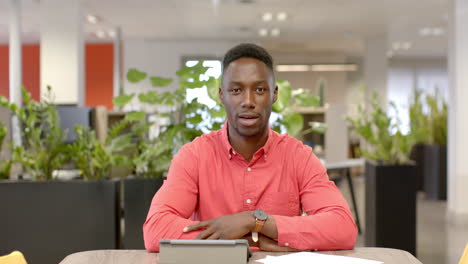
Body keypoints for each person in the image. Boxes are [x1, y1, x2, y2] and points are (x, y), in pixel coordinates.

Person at [143, 43, 357, 252]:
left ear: (274, 95)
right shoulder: (195, 155)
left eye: (259, 89)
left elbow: (343, 227)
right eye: (236, 90)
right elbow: (155, 229)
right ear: (222, 96)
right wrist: (237, 242)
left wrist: (254, 221)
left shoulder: (298, 157)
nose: (248, 101)